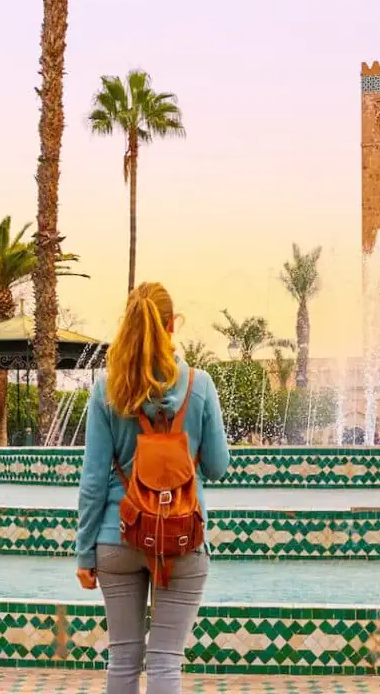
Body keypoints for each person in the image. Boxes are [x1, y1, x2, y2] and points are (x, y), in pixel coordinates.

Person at [76, 283, 229, 693]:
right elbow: (217, 467)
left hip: (117, 536)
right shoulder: (200, 385)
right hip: (182, 537)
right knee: (164, 664)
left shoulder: (107, 390)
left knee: (123, 660)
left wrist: (84, 552)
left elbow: (92, 482)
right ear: (171, 325)